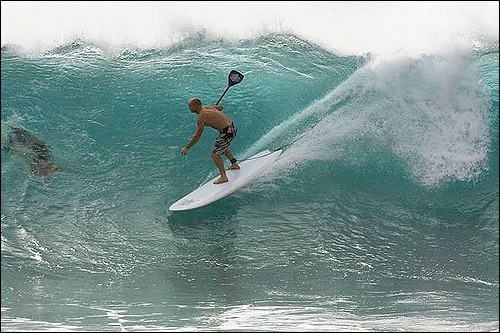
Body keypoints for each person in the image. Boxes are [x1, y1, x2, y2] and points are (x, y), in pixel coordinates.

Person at [182, 97, 240, 184]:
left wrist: (187, 147)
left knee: (214, 154)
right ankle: (234, 164)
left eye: (190, 106)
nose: (189, 108)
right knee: (221, 147)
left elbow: (198, 135)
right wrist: (216, 114)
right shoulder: (207, 108)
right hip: (232, 128)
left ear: (197, 106)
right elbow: (220, 108)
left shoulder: (201, 117)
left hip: (227, 132)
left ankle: (223, 177)